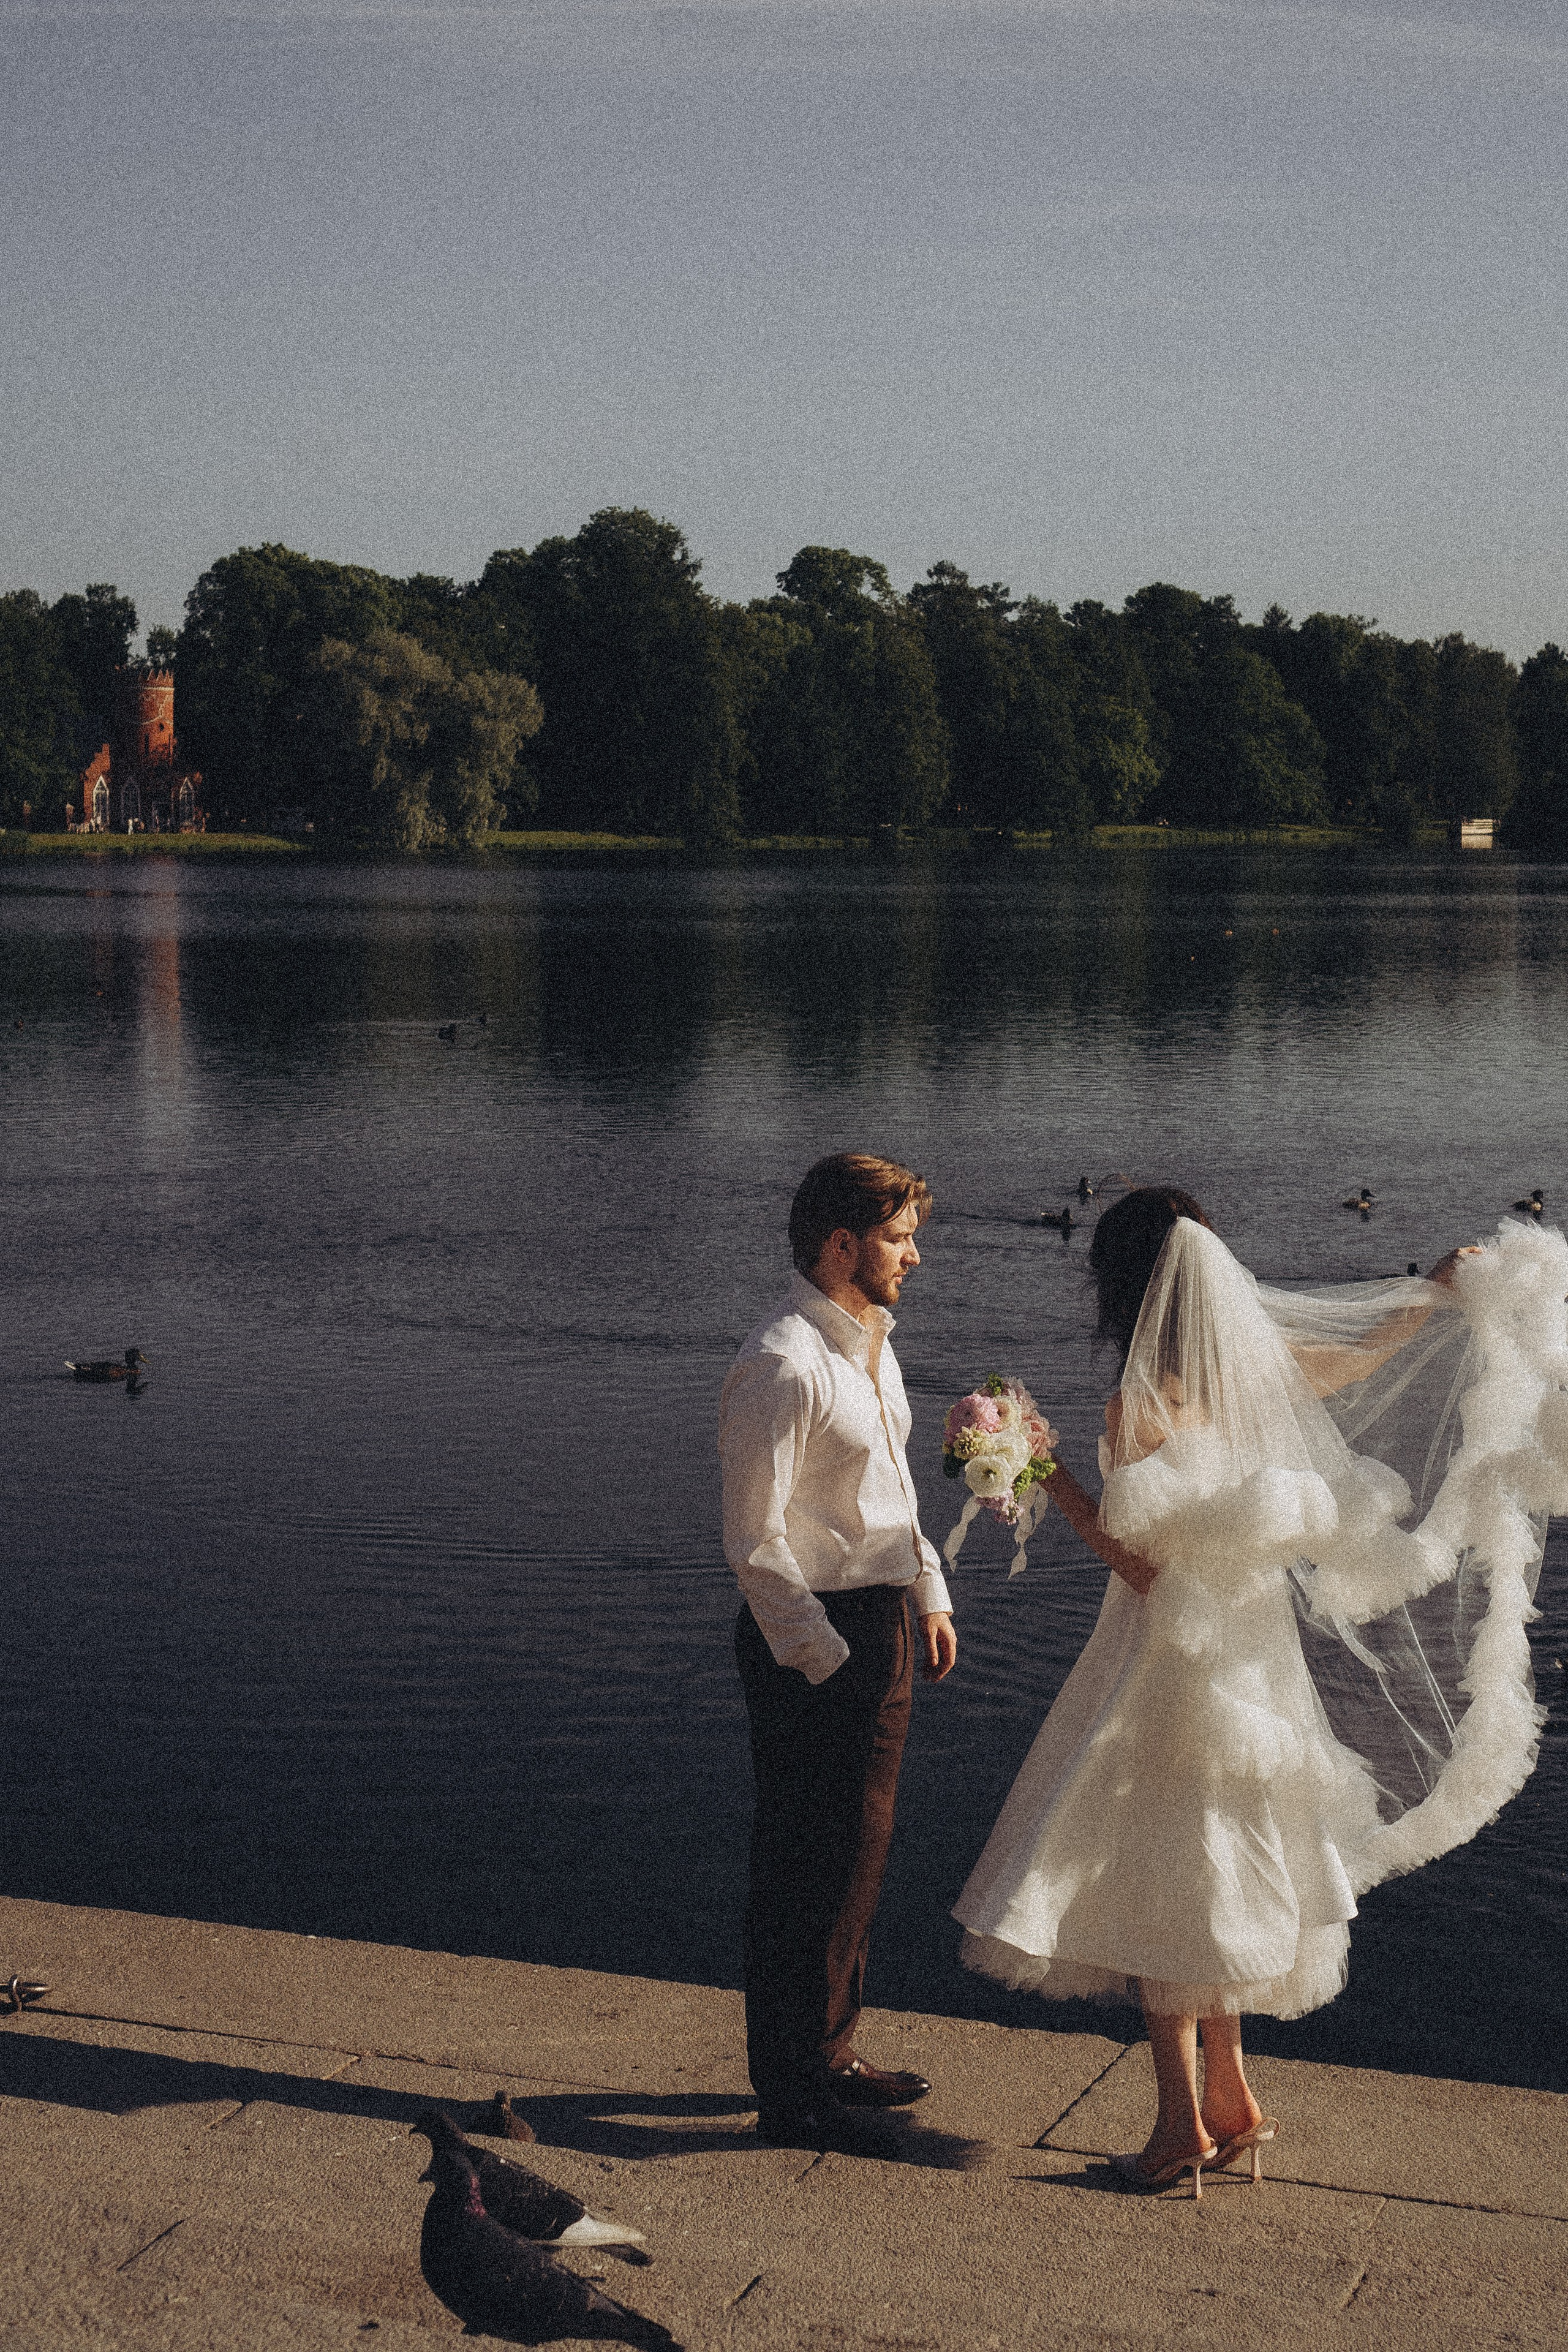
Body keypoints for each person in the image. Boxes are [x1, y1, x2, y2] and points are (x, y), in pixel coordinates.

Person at [954, 1185, 1566, 2196]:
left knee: (1160, 1880)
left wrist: (1045, 1469)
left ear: (1123, 1288)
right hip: (1256, 1663)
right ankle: (1232, 2097)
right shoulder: (1260, 1381)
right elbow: (1360, 1355)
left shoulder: (1138, 1406)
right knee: (1233, 1859)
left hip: (1166, 1666)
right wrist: (1431, 1290)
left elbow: (1143, 1568)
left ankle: (1177, 2126)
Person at [721, 1152, 958, 2154]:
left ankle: (831, 2050)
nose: (913, 1257)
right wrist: (825, 1659)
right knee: (801, 1867)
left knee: (858, 1857)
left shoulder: (870, 1344)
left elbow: (892, 1487)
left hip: (879, 1621)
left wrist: (927, 1591)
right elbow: (753, 1541)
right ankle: (789, 2089)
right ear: (842, 1245)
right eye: (901, 1239)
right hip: (810, 1638)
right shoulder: (781, 1363)